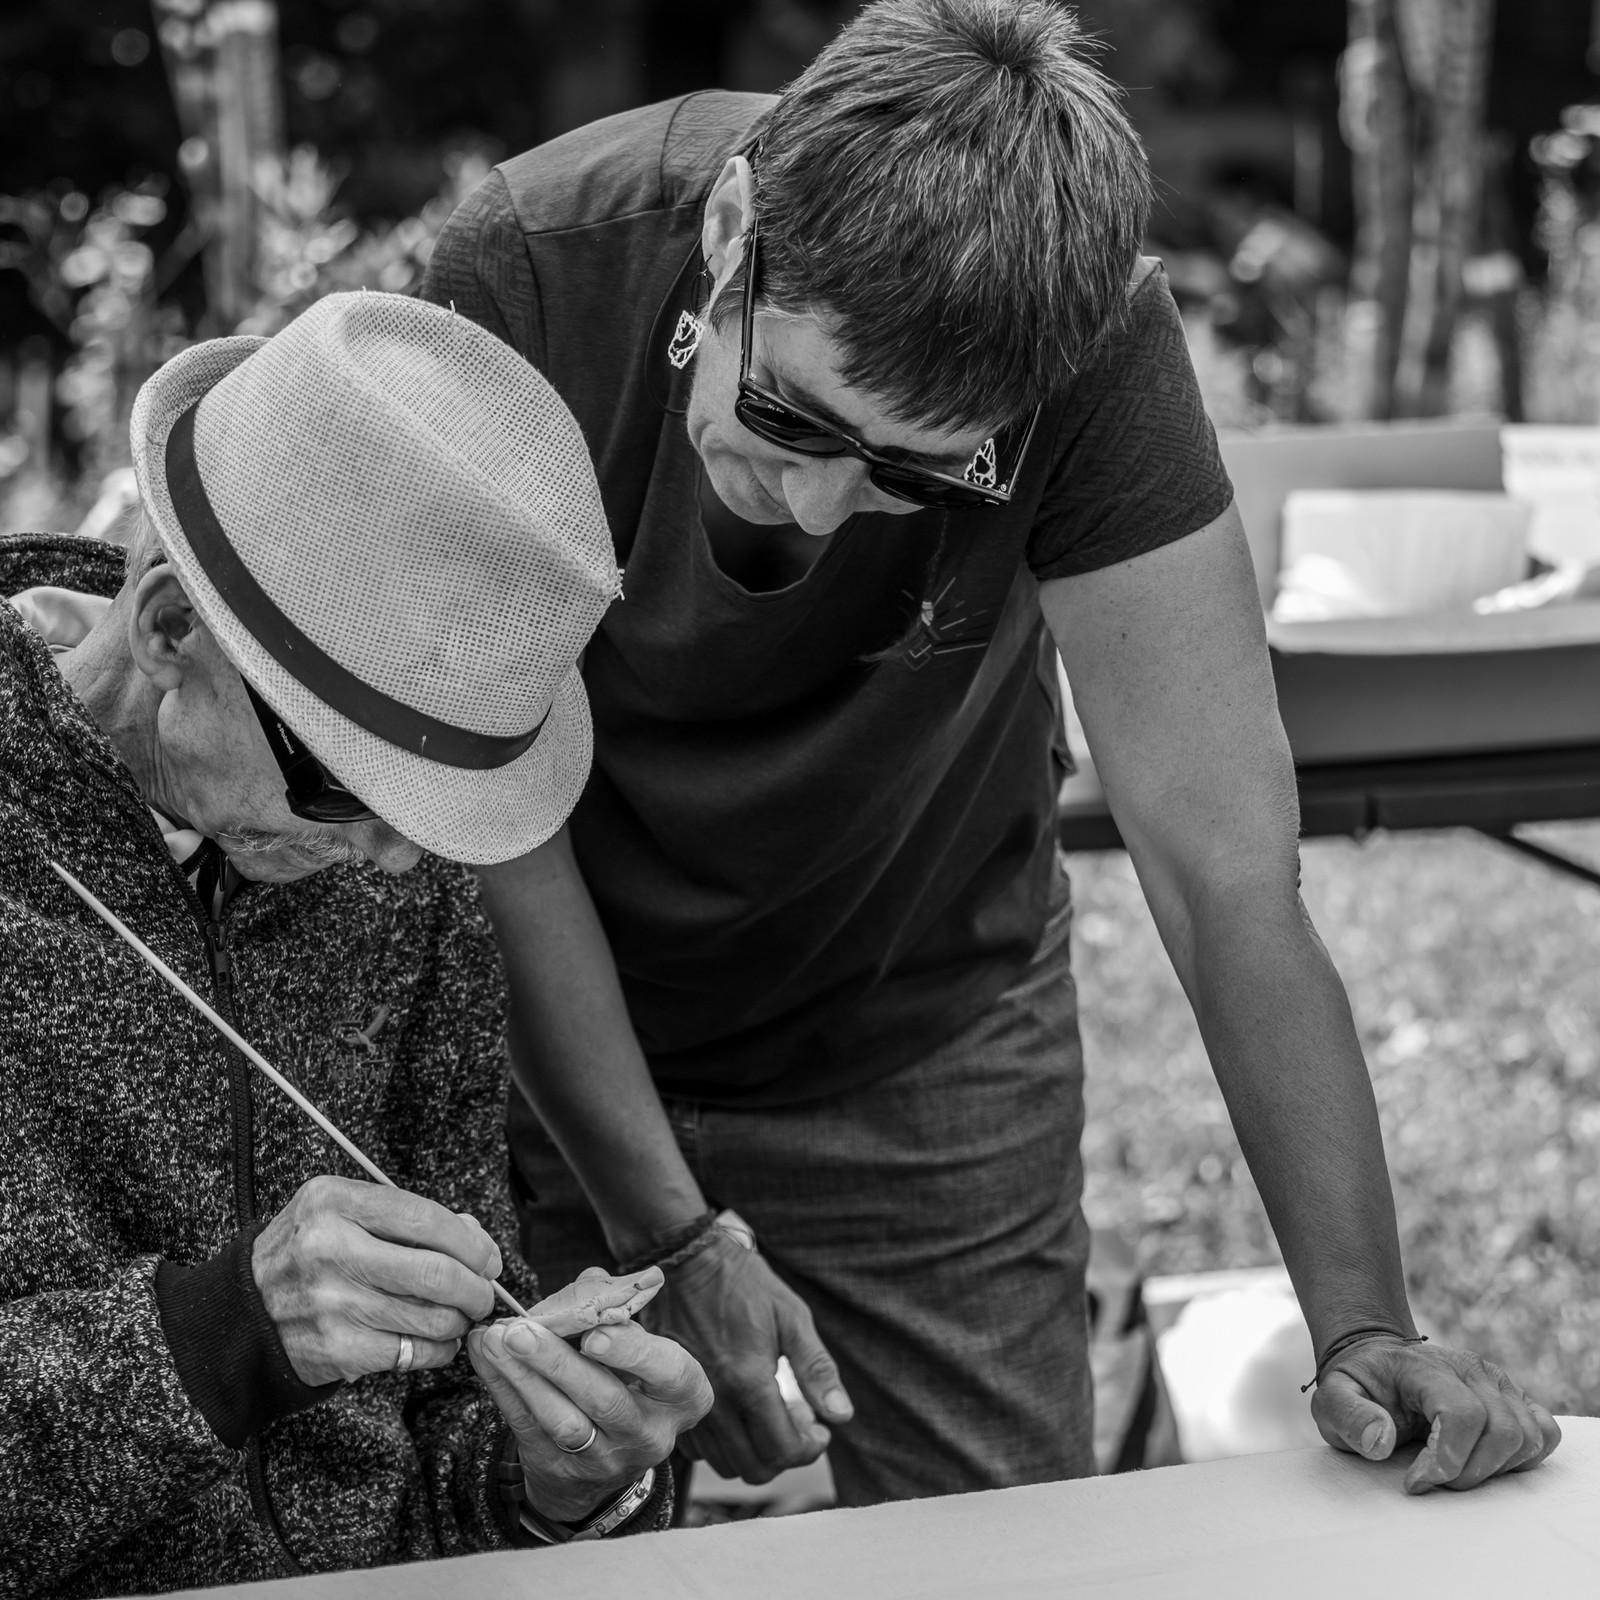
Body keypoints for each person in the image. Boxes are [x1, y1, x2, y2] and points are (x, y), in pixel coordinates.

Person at [420, 0, 1561, 1506]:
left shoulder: (1095, 352)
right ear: (734, 222)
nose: (817, 508)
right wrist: (671, 1229)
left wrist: (1364, 1320)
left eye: (917, 474)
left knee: (1004, 1539)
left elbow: (1221, 865)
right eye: (789, 413)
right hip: (551, 1017)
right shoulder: (531, 269)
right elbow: (484, 803)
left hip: (925, 1023)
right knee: (537, 1526)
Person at [0, 291, 712, 1596]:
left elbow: (426, 1459)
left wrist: (553, 1475)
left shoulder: (397, 878)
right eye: (350, 786)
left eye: (438, 815)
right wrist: (218, 1339)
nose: (397, 858)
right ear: (169, 627)